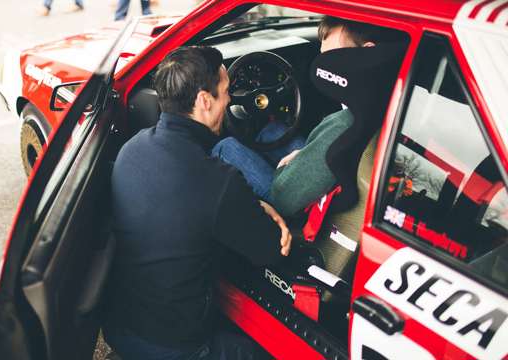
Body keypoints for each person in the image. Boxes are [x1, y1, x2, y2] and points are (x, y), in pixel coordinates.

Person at [105, 46, 292, 359]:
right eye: (226, 92)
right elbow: (272, 251)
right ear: (205, 101)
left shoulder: (132, 148)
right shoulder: (219, 181)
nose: (231, 99)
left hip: (118, 326)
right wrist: (263, 209)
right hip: (176, 348)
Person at [212, 16, 397, 218]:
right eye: (322, 57)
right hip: (336, 169)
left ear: (367, 52)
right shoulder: (386, 96)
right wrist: (304, 157)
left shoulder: (344, 125)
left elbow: (284, 197)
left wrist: (290, 169)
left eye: (333, 58)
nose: (324, 67)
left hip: (298, 207)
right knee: (271, 131)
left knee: (226, 146)